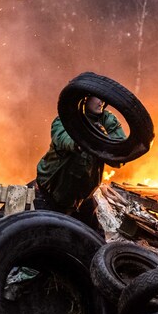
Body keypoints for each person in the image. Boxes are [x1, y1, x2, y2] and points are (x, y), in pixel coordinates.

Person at [33, 96, 125, 228]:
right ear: (85, 99)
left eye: (103, 98)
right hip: (51, 192)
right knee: (47, 234)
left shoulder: (107, 120)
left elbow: (120, 154)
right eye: (97, 98)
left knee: (92, 239)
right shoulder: (66, 118)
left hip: (82, 196)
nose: (101, 102)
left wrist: (104, 140)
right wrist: (83, 141)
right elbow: (63, 139)